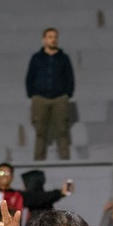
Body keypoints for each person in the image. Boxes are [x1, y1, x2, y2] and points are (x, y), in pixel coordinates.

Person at [25, 27, 76, 162]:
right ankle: (38, 161)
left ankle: (65, 160)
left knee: (62, 131)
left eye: (55, 37)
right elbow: (30, 77)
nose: (53, 40)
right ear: (44, 40)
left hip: (60, 99)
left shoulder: (64, 58)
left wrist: (67, 94)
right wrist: (33, 94)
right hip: (40, 98)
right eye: (49, 37)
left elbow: (70, 77)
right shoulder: (36, 58)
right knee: (40, 132)